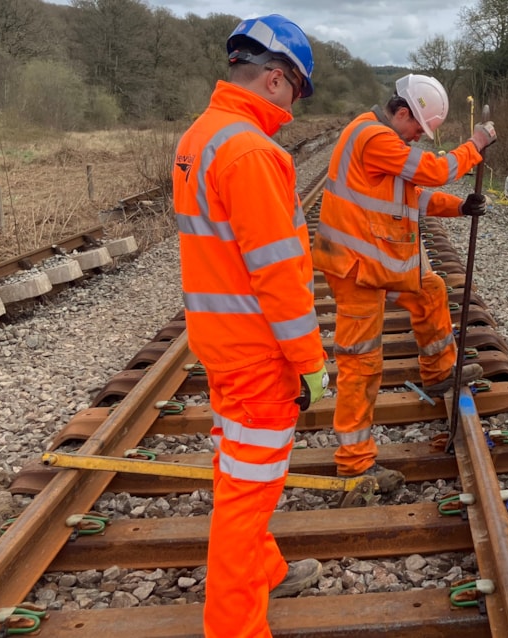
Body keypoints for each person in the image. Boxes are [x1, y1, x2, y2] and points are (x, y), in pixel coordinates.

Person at [171, 14, 327, 636]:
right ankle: (236, 626)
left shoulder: (200, 136)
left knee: (238, 469)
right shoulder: (253, 152)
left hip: (220, 342)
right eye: (295, 90)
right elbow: (279, 276)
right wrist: (311, 361)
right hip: (258, 354)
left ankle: (264, 568)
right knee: (248, 491)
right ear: (274, 78)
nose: (292, 105)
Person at [312, 74, 497, 492]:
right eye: (418, 128)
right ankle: (355, 463)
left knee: (429, 291)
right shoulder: (373, 137)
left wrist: (460, 207)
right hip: (355, 269)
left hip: (372, 262)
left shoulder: (384, 145)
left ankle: (438, 371)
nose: (418, 137)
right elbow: (433, 172)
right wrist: (476, 146)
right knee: (361, 363)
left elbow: (410, 196)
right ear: (401, 113)